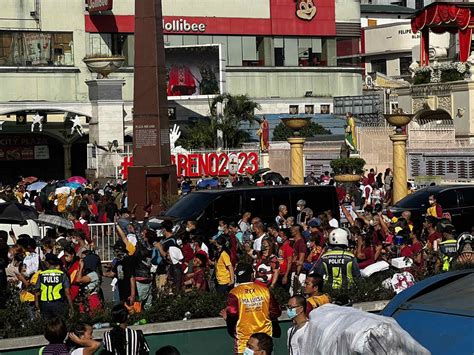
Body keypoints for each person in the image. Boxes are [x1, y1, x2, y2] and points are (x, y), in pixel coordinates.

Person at [220, 263, 281, 354]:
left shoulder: (234, 293)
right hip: (264, 343)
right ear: (252, 275)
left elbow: (233, 314)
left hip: (244, 344)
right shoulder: (264, 290)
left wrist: (227, 319)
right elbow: (275, 312)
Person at [35, 253, 74, 319]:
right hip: (58, 303)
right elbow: (67, 293)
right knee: (60, 324)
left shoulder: (41, 275)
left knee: (48, 326)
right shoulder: (62, 274)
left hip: (45, 305)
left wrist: (37, 307)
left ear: (47, 263)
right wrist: (71, 307)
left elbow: (37, 292)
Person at [290, 225, 307, 296]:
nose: (291, 231)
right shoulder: (295, 242)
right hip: (294, 270)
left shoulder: (301, 243)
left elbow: (301, 259)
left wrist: (297, 273)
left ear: (297, 230)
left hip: (299, 273)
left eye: (292, 230)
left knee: (298, 293)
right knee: (292, 292)